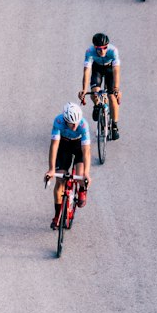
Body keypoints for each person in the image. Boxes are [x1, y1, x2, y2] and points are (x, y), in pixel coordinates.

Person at [44, 101, 91, 229]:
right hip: (64, 145)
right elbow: (54, 146)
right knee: (60, 180)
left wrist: (86, 173)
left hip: (79, 145)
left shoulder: (83, 124)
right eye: (71, 123)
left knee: (80, 174)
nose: (75, 126)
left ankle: (82, 190)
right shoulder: (58, 122)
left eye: (76, 123)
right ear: (65, 120)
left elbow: (86, 151)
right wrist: (52, 169)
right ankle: (57, 216)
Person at [79, 31, 121, 139]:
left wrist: (116, 88)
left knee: (112, 97)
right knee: (95, 92)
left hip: (110, 69)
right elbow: (87, 71)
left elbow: (116, 70)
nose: (102, 51)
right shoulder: (89, 51)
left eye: (104, 47)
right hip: (97, 68)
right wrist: (84, 89)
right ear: (94, 47)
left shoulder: (113, 51)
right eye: (99, 48)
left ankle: (114, 126)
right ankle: (97, 105)